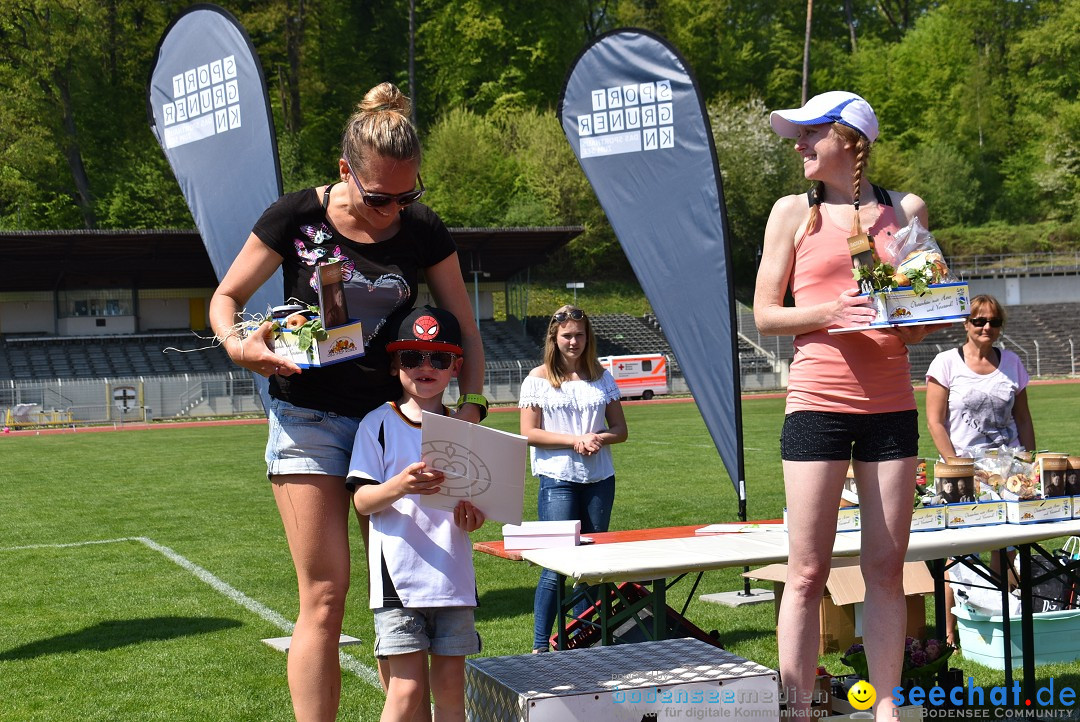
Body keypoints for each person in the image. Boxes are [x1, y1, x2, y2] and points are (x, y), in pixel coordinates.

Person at [208, 82, 486, 722]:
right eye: (380, 196)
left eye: (409, 195)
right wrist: (238, 345)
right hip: (306, 418)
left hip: (388, 424)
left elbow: (463, 325)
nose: (394, 209)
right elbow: (225, 299)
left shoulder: (420, 228)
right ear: (344, 172)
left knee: (403, 592)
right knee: (327, 595)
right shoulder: (294, 217)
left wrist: (472, 402)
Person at [753, 91, 941, 721]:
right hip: (816, 403)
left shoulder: (905, 211)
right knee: (806, 572)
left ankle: (885, 707)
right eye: (798, 136)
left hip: (891, 405)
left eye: (811, 134)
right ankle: (797, 708)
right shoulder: (790, 213)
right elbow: (764, 313)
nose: (799, 145)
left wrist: (918, 314)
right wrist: (829, 313)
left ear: (852, 140)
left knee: (886, 569)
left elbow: (924, 318)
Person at [348, 305, 485, 722]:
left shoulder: (465, 430)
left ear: (454, 367)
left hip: (453, 578)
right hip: (399, 580)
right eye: (412, 357)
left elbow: (478, 506)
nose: (425, 367)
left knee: (450, 694)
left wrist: (473, 517)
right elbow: (362, 501)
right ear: (395, 365)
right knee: (406, 693)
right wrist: (400, 485)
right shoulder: (378, 424)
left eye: (439, 358)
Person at [925, 294, 1035, 644]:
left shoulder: (1013, 362)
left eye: (994, 322)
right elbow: (934, 421)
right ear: (966, 324)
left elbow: (1023, 417)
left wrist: (1028, 461)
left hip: (1008, 470)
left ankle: (1005, 616)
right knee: (958, 549)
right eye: (979, 321)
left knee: (1006, 546)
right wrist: (958, 466)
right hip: (962, 472)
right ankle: (949, 631)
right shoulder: (945, 363)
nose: (987, 327)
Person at [519, 305, 628, 653]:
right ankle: (539, 645)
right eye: (567, 335)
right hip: (557, 479)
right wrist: (574, 441)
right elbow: (528, 433)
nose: (574, 341)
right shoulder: (537, 379)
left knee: (590, 566)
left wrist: (599, 438)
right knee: (557, 564)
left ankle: (582, 641)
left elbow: (621, 430)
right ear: (554, 337)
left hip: (600, 479)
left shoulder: (602, 376)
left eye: (580, 334)